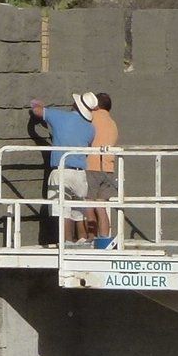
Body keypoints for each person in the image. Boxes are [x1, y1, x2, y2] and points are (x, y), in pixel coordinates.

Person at [28, 96, 94, 246]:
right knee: (78, 211)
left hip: (62, 170)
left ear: (75, 105)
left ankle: (67, 241)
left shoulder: (60, 116)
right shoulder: (91, 128)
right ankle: (82, 240)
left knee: (62, 210)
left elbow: (36, 111)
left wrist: (39, 104)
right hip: (80, 173)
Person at [78, 91, 120, 250]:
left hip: (92, 165)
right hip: (108, 168)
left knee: (89, 204)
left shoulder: (93, 118)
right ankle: (104, 240)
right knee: (101, 207)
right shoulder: (113, 123)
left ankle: (90, 238)